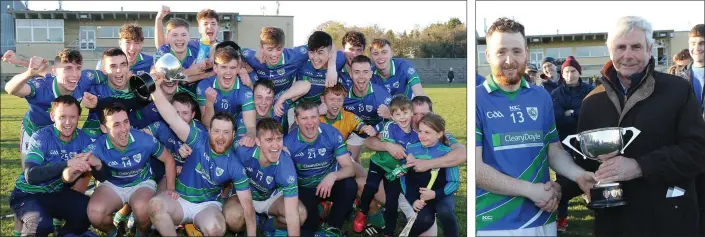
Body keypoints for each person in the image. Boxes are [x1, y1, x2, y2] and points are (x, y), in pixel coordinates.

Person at [577, 16, 705, 236]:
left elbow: (697, 151)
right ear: (610, 51)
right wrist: (564, 186)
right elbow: (582, 161)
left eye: (636, 47)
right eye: (620, 47)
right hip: (613, 223)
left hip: (668, 221)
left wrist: (640, 166)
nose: (628, 55)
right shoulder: (592, 101)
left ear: (649, 49)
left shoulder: (678, 91)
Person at [475, 17, 595, 236]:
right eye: (501, 52)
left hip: (541, 216)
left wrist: (579, 175)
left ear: (526, 54)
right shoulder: (476, 98)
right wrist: (531, 190)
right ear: (488, 55)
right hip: (493, 221)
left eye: (516, 51)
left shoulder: (541, 96)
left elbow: (553, 149)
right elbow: (476, 169)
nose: (509, 60)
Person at [148, 76, 257, 237]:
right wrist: (155, 89)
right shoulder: (198, 139)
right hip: (181, 200)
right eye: (216, 131)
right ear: (209, 131)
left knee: (216, 229)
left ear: (233, 135)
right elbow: (172, 117)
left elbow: (248, 207)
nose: (220, 137)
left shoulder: (235, 166)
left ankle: (196, 227)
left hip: (207, 206)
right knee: (155, 205)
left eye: (226, 132)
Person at [363, 95, 467, 237]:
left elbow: (462, 154)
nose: (418, 118)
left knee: (430, 225)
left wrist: (427, 164)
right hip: (405, 190)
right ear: (410, 112)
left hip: (429, 192)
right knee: (366, 183)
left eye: (423, 114)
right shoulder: (399, 127)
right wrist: (388, 145)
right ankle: (375, 212)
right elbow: (369, 142)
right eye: (415, 113)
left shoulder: (441, 137)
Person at [83, 103, 176, 237]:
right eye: (116, 125)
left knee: (143, 210)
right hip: (113, 184)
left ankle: (141, 233)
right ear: (104, 128)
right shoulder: (97, 146)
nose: (124, 129)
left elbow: (169, 160)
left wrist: (171, 190)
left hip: (141, 182)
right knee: (95, 214)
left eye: (125, 122)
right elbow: (76, 164)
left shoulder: (144, 140)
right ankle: (115, 233)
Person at [9, 96, 95, 237]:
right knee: (40, 224)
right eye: (62, 117)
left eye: (73, 117)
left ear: (79, 116)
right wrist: (67, 163)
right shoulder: (41, 137)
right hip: (28, 194)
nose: (68, 122)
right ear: (52, 116)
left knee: (87, 211)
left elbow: (101, 169)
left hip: (55, 193)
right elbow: (31, 175)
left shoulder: (84, 139)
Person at [4, 49, 101, 169]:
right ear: (54, 72)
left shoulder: (85, 79)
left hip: (62, 134)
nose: (75, 74)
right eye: (68, 68)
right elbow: (10, 88)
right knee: (30, 174)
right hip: (33, 131)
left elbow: (109, 75)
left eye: (78, 68)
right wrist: (29, 73)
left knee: (65, 175)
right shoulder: (41, 87)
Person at [284, 101, 357, 236]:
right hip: (305, 188)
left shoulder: (331, 133)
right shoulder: (288, 143)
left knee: (349, 186)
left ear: (319, 117)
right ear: (297, 120)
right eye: (304, 118)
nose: (310, 123)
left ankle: (333, 227)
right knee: (309, 228)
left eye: (313, 117)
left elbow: (349, 169)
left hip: (328, 184)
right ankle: (319, 211)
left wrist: (332, 176)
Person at [225, 118, 306, 236]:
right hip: (243, 195)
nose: (275, 145)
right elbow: (221, 153)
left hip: (269, 198)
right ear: (257, 141)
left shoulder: (286, 165)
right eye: (269, 140)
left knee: (300, 214)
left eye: (279, 139)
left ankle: (268, 226)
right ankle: (247, 224)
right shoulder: (242, 149)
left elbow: (292, 215)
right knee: (233, 218)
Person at [353, 96, 416, 236]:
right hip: (378, 163)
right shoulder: (389, 126)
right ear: (392, 116)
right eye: (397, 114)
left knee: (392, 203)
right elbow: (386, 141)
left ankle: (389, 232)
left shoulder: (416, 135)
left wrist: (410, 161)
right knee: (371, 186)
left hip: (395, 171)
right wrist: (390, 144)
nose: (402, 117)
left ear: (412, 113)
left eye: (405, 113)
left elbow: (415, 155)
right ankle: (363, 211)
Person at [550, 56, 594, 232]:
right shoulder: (556, 94)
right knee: (563, 182)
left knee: (592, 176)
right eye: (566, 72)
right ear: (562, 74)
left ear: (579, 72)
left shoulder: (590, 90)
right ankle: (561, 217)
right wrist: (577, 114)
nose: (570, 75)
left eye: (573, 71)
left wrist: (572, 113)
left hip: (589, 143)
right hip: (565, 144)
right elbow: (558, 119)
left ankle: (598, 209)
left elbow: (591, 115)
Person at [404, 113, 459, 236]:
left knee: (445, 211)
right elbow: (404, 179)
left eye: (427, 133)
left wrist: (435, 194)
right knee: (424, 220)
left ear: (439, 134)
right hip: (420, 198)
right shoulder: (411, 149)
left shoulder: (447, 152)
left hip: (442, 194)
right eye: (420, 131)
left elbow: (454, 182)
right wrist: (413, 200)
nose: (422, 136)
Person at [196, 45, 256, 145]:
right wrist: (209, 104)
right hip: (214, 128)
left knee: (244, 144)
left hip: (236, 126)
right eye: (223, 67)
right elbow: (207, 125)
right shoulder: (204, 86)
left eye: (232, 68)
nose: (228, 72)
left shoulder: (244, 90)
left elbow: (251, 127)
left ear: (238, 69)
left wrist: (250, 135)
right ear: (215, 68)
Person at [273, 31, 344, 108]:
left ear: (330, 54)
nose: (315, 58)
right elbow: (277, 51)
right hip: (300, 108)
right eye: (312, 52)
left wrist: (332, 67)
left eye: (320, 53)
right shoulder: (302, 59)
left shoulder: (339, 60)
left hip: (324, 108)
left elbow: (332, 45)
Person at [342, 55, 392, 162]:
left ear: (370, 74)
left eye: (365, 72)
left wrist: (378, 127)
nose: (361, 76)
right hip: (357, 132)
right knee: (348, 162)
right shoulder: (344, 95)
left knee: (389, 159)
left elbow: (396, 118)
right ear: (350, 74)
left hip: (378, 131)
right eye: (356, 72)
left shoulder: (381, 95)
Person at [81, 48, 135, 138]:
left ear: (128, 67)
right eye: (113, 66)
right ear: (104, 70)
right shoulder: (93, 93)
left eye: (123, 65)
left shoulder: (137, 89)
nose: (119, 70)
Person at [241, 27, 310, 95]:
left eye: (279, 49)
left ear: (283, 46)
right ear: (261, 48)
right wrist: (241, 69)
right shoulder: (252, 57)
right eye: (270, 49)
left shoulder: (294, 56)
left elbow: (316, 46)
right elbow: (233, 51)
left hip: (284, 100)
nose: (274, 54)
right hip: (263, 100)